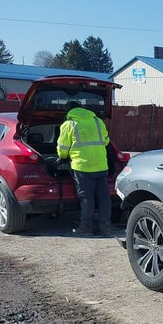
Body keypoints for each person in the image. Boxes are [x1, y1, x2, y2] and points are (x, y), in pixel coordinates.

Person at [57, 101, 113, 236]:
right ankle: (105, 227)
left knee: (86, 197)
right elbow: (106, 141)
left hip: (82, 166)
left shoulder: (68, 124)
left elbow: (62, 150)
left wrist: (62, 157)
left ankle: (86, 227)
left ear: (68, 112)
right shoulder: (98, 121)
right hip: (101, 165)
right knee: (104, 197)